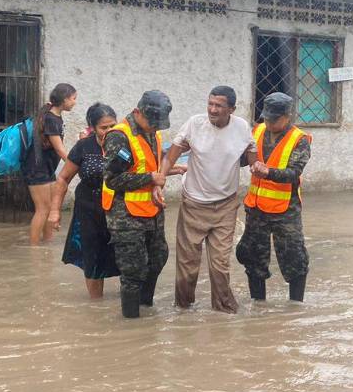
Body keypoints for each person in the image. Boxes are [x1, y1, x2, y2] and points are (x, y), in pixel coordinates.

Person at [160, 86, 257, 314]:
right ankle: (183, 311)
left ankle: (223, 311)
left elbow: (252, 154)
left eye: (219, 106)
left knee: (220, 265)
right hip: (194, 204)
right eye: (210, 104)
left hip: (225, 205)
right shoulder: (195, 124)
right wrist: (160, 179)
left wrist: (257, 165)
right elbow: (171, 154)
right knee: (187, 266)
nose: (212, 110)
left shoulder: (241, 127)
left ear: (231, 109)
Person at [235, 92, 311, 303]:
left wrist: (268, 172)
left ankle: (296, 306)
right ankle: (258, 306)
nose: (268, 123)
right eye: (266, 118)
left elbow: (294, 173)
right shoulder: (258, 130)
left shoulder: (300, 140)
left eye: (274, 119)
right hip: (256, 209)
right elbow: (242, 157)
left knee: (294, 259)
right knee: (253, 259)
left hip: (285, 211)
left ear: (287, 116)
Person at [102, 90, 172, 319]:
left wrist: (157, 184)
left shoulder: (153, 134)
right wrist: (151, 179)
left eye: (157, 124)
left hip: (152, 211)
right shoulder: (119, 137)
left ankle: (146, 310)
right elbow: (112, 179)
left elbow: (148, 165)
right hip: (126, 215)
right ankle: (131, 323)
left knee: (159, 257)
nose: (154, 127)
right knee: (133, 271)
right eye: (152, 122)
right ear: (136, 112)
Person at [50, 102, 121, 299]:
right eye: (103, 127)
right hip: (89, 211)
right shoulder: (84, 147)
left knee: (126, 256)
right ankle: (96, 304)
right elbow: (63, 179)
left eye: (112, 126)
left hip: (120, 211)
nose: (108, 131)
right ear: (92, 128)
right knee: (93, 257)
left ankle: (128, 303)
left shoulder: (126, 144)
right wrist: (55, 211)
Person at [24, 83, 77, 245]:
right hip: (37, 169)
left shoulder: (53, 115)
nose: (75, 102)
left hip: (46, 169)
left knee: (49, 209)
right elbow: (60, 150)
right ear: (65, 99)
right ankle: (33, 250)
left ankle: (46, 245)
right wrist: (77, 166)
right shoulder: (51, 119)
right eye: (73, 99)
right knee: (43, 209)